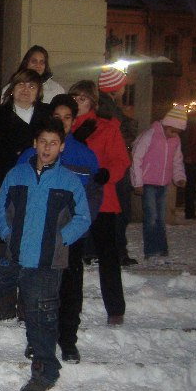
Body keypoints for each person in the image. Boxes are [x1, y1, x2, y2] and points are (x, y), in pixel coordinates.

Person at [0, 119, 90, 391]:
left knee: (40, 320)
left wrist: (60, 240)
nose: (47, 148)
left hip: (45, 264)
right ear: (35, 144)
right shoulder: (17, 174)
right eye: (42, 142)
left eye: (53, 143)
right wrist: (8, 233)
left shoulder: (68, 181)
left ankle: (46, 372)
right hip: (14, 258)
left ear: (61, 146)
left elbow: (83, 217)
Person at [17, 95, 101, 363]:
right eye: (57, 117)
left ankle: (67, 341)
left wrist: (74, 231)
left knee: (69, 290)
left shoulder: (84, 155)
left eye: (67, 117)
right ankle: (36, 339)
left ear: (74, 121)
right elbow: (16, 196)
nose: (62, 122)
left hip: (69, 238)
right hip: (37, 237)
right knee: (36, 291)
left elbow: (93, 197)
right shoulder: (30, 155)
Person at [0, 68, 52, 328]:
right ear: (12, 89)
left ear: (38, 92)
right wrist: (19, 155)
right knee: (3, 244)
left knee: (33, 245)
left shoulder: (46, 116)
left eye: (32, 86)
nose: (26, 90)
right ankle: (1, 305)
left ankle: (29, 305)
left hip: (40, 188)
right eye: (21, 85)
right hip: (7, 186)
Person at [69, 80, 130, 325]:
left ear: (92, 102)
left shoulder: (106, 127)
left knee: (108, 254)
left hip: (102, 198)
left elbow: (120, 160)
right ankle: (71, 307)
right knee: (72, 257)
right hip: (74, 200)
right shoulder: (64, 126)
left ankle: (115, 308)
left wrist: (107, 174)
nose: (77, 103)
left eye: (82, 98)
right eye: (74, 98)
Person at [130, 106, 187, 261]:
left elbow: (177, 160)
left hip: (163, 183)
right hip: (148, 182)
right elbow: (137, 158)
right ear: (167, 125)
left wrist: (179, 177)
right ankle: (151, 250)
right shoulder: (150, 135)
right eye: (172, 131)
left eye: (177, 132)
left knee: (160, 217)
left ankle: (161, 248)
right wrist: (137, 182)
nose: (173, 135)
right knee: (151, 216)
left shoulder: (175, 140)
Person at [97, 67, 138, 266]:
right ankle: (117, 251)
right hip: (114, 166)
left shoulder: (108, 106)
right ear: (115, 88)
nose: (124, 89)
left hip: (112, 164)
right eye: (122, 85)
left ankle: (115, 250)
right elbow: (120, 137)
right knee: (120, 210)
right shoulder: (109, 110)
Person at [183, 108, 196, 219]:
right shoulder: (194, 126)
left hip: (193, 159)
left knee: (190, 185)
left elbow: (187, 142)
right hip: (195, 158)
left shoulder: (189, 125)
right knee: (191, 185)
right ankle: (190, 211)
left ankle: (189, 211)